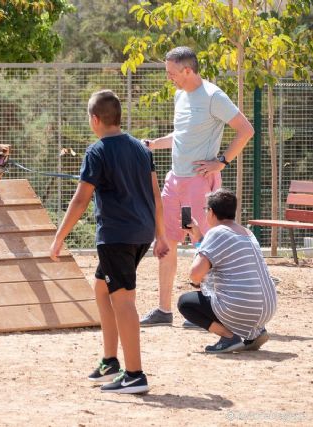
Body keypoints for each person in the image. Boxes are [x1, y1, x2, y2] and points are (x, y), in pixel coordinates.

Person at [50, 90, 169, 394]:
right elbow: (156, 194)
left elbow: (80, 200)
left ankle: (134, 374)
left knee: (124, 300)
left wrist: (58, 239)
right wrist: (161, 234)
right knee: (102, 287)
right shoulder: (141, 149)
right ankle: (110, 361)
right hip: (141, 233)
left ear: (94, 119)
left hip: (117, 235)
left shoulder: (97, 151)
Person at [140, 46, 255, 327]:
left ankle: (206, 307)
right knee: (165, 242)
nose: (169, 78)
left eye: (172, 73)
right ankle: (163, 310)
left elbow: (246, 130)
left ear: (188, 70)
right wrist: (155, 144)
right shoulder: (180, 95)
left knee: (204, 244)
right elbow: (181, 135)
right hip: (174, 180)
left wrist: (221, 161)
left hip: (198, 183)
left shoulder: (214, 96)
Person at [178, 189, 276, 353]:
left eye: (206, 210)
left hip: (241, 308)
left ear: (211, 212)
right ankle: (255, 333)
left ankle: (229, 337)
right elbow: (220, 252)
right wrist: (198, 236)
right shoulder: (246, 232)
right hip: (268, 308)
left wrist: (195, 282)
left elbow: (195, 274)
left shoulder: (217, 232)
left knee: (185, 303)